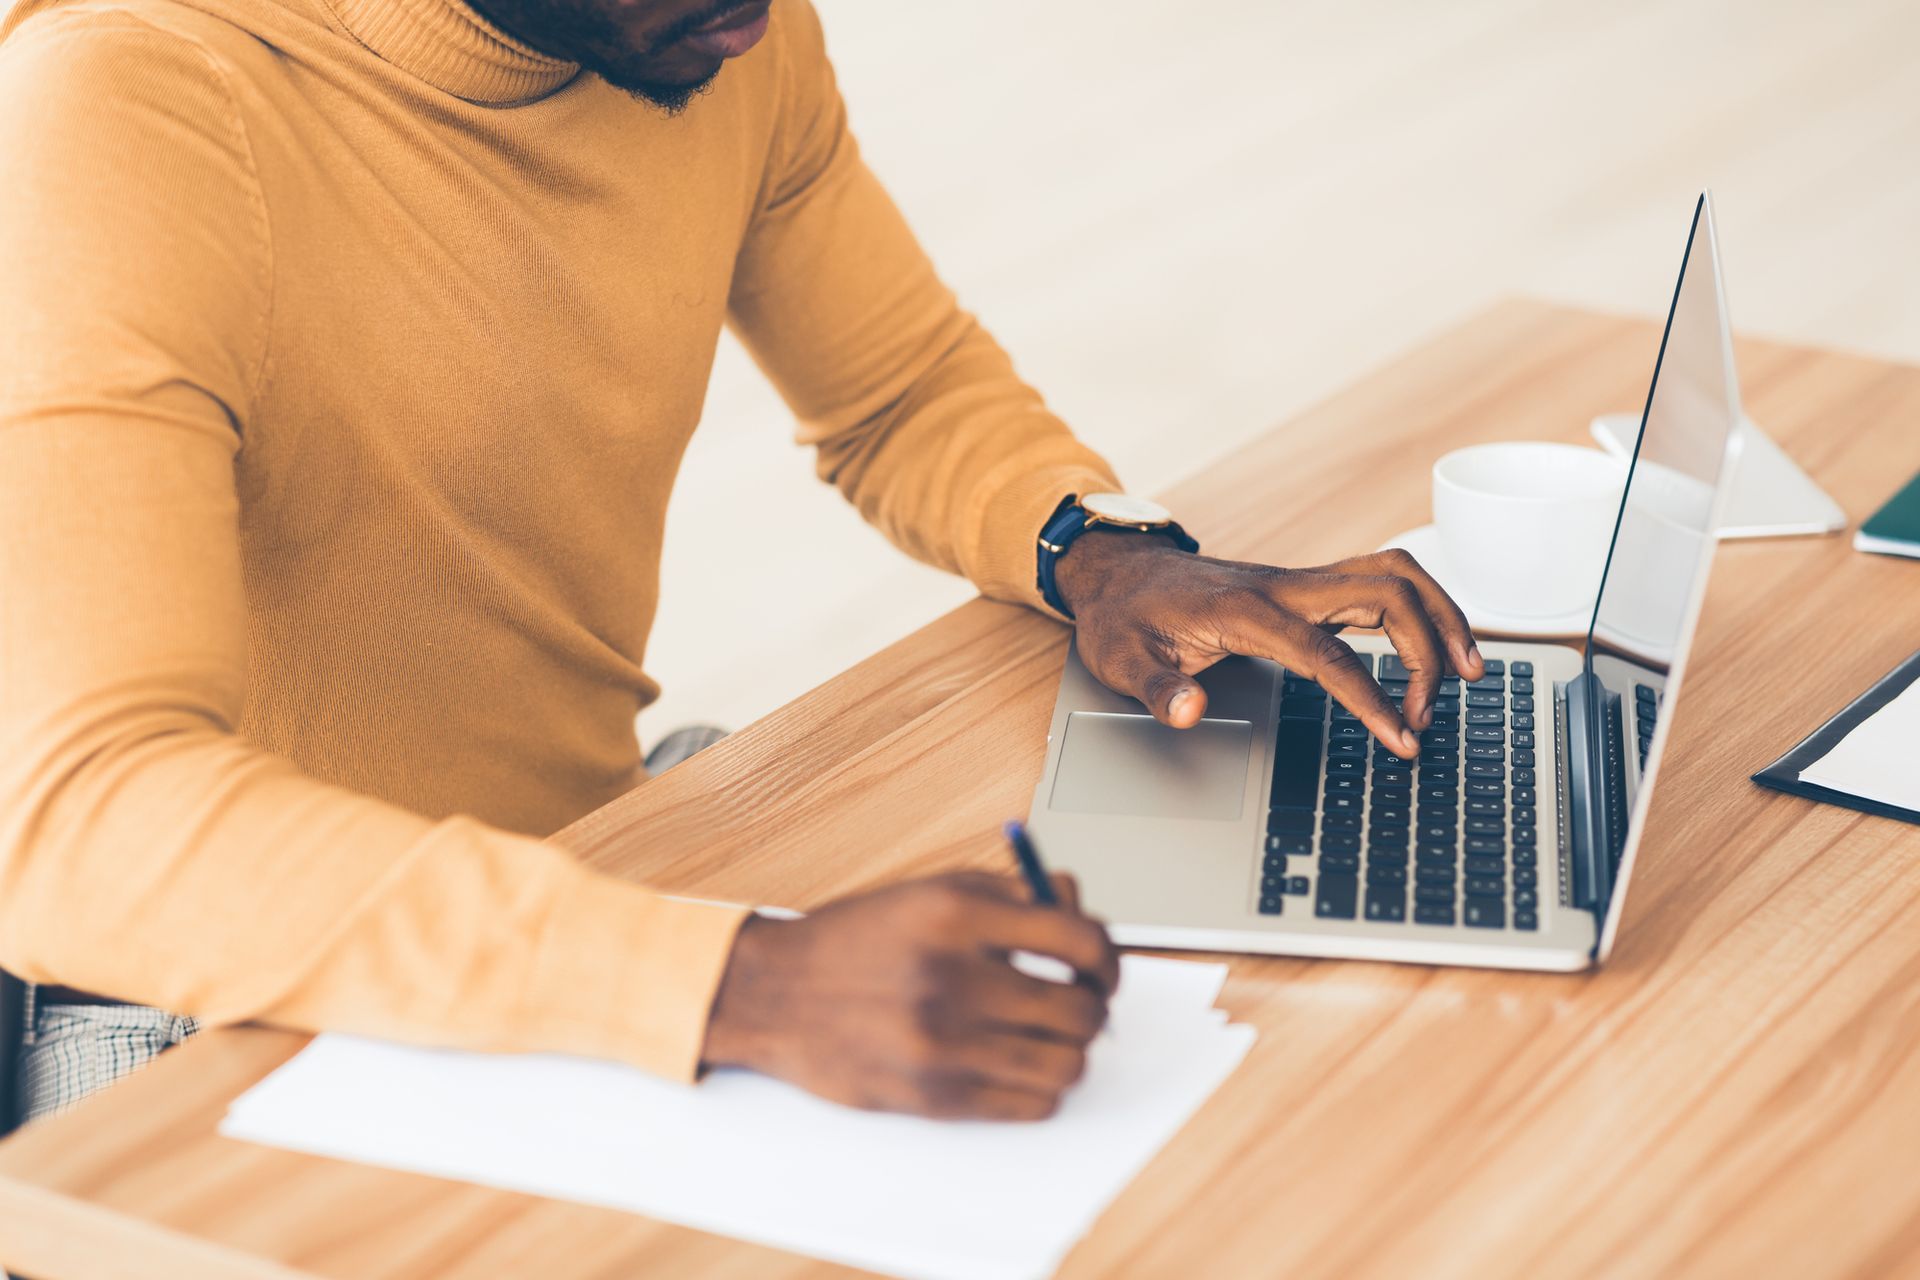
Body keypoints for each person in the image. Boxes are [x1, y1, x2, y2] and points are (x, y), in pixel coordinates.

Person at [0, 0, 1482, 1126]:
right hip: (199, 1003)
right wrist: (743, 985)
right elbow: (77, 823)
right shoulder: (128, 106)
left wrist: (1101, 553)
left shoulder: (713, 38)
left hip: (584, 875)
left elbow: (901, 392)